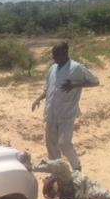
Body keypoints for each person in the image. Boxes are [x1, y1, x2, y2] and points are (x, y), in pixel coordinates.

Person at [31, 42, 99, 172]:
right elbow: (48, 88)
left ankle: (77, 167)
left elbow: (95, 81)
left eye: (56, 55)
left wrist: (75, 85)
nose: (54, 57)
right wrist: (38, 98)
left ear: (65, 53)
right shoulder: (52, 68)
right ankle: (56, 170)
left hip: (67, 112)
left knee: (64, 143)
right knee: (51, 144)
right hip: (51, 111)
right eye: (53, 55)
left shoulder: (76, 68)